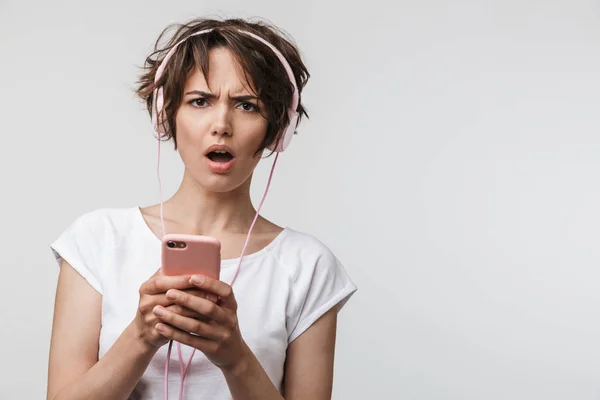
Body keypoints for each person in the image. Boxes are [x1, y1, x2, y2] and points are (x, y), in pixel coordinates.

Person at [47, 17, 357, 400]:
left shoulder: (308, 266)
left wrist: (235, 357)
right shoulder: (97, 240)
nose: (221, 124)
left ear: (277, 130)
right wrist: (140, 337)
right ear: (167, 114)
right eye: (200, 101)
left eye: (247, 105)